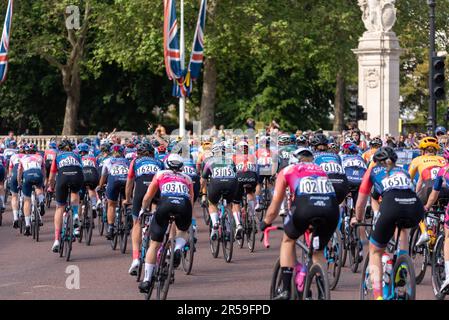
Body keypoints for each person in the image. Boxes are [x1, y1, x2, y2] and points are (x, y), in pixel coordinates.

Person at [260, 148, 339, 300]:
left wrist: (265, 222)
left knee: (288, 240)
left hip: (305, 208)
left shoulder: (288, 170)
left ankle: (285, 290)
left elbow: (275, 206)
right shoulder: (320, 170)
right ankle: (322, 292)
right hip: (330, 210)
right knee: (318, 251)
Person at [351, 147, 424, 300]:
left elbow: (360, 203)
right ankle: (403, 262)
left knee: (375, 250)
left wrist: (358, 219)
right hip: (415, 207)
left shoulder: (373, 171)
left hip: (392, 206)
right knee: (402, 228)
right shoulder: (403, 170)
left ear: (376, 162)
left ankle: (378, 296)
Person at [138, 154, 194, 293]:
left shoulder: (160, 174)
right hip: (183, 205)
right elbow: (191, 201)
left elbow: (148, 196)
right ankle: (177, 249)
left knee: (154, 244)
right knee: (182, 232)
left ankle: (146, 280)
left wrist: (143, 209)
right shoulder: (187, 178)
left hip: (165, 204)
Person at [125, 142, 164, 276]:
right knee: (159, 218)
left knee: (136, 223)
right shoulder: (159, 162)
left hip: (141, 190)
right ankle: (159, 252)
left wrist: (128, 199)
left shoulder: (135, 162)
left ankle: (135, 259)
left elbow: (130, 182)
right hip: (156, 190)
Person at [409, 136, 446, 246]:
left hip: (429, 187)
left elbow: (408, 179)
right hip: (445, 187)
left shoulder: (418, 159)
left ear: (422, 150)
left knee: (418, 208)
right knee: (442, 213)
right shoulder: (442, 159)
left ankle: (424, 232)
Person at [48, 140, 84, 252]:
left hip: (63, 177)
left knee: (60, 207)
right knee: (75, 192)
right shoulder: (77, 155)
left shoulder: (57, 156)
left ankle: (56, 240)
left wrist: (51, 187)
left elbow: (51, 176)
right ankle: (76, 215)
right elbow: (81, 169)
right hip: (77, 175)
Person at [423, 146, 449, 293]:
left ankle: (448, 275)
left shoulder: (443, 170)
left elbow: (433, 195)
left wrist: (426, 207)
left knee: (448, 237)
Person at [201, 143, 239, 240]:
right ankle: (230, 228)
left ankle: (215, 223)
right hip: (231, 183)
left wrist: (202, 192)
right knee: (229, 204)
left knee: (212, 203)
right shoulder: (230, 161)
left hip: (216, 184)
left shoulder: (209, 161)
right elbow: (236, 174)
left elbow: (203, 179)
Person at [98, 144, 130, 240]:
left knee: (111, 204)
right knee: (126, 201)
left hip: (114, 180)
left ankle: (111, 228)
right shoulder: (127, 161)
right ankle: (127, 215)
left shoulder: (108, 160)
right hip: (126, 181)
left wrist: (100, 186)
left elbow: (104, 176)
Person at [17, 143, 46, 235]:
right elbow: (44, 171)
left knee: (27, 201)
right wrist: (43, 182)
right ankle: (41, 201)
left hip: (27, 174)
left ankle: (28, 225)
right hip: (38, 174)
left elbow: (19, 172)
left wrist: (19, 183)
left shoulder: (23, 158)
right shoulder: (40, 157)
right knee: (39, 187)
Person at [78, 142, 100, 234]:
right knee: (91, 189)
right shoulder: (93, 157)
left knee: (79, 199)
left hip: (83, 175)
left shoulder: (78, 157)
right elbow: (98, 168)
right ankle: (94, 205)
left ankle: (78, 221)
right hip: (93, 174)